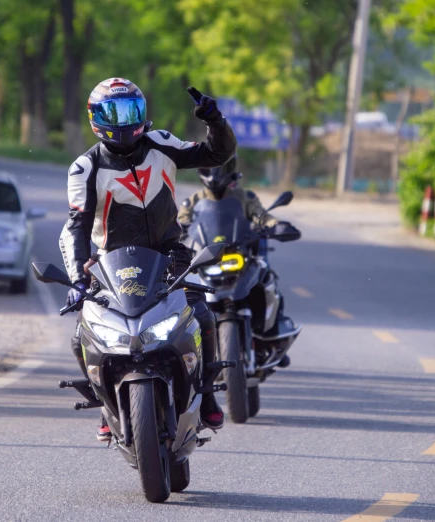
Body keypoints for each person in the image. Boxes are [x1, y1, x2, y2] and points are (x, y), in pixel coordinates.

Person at [60, 77, 237, 442]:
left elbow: (217, 155)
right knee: (82, 332)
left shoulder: (161, 142)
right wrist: (78, 278)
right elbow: (76, 227)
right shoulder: (84, 168)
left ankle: (204, 395)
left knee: (200, 313)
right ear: (96, 118)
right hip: (111, 262)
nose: (124, 122)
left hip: (169, 253)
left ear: (143, 113)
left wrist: (215, 122)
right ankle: (107, 405)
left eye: (131, 111)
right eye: (114, 112)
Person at [178, 155, 301, 336]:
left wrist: (276, 225)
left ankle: (273, 332)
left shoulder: (244, 197)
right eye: (210, 169)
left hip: (239, 254)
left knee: (267, 278)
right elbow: (181, 226)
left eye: (220, 169)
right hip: (207, 259)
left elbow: (263, 217)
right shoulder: (192, 202)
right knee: (179, 292)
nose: (214, 174)